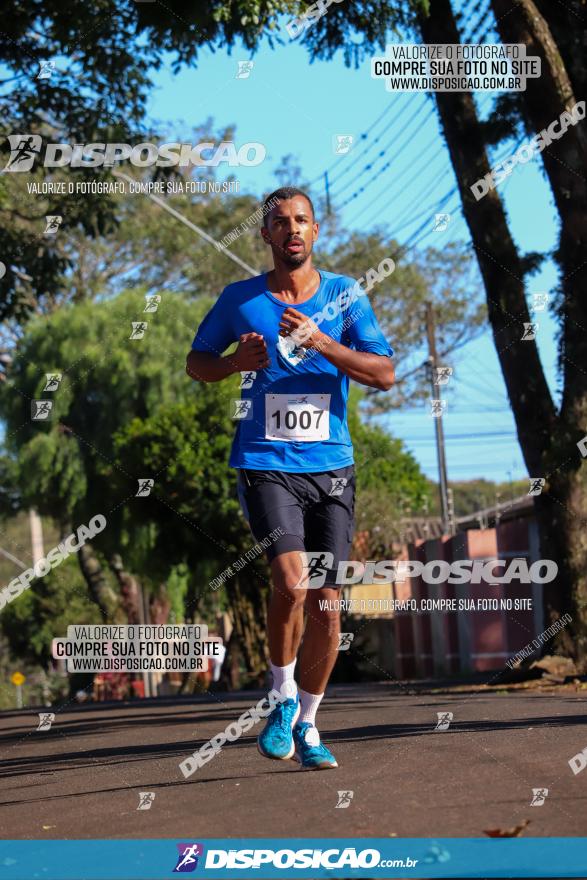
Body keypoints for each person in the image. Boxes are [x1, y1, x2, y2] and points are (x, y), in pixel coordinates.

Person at [186, 186, 394, 770]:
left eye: (302, 220)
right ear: (266, 235)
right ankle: (279, 698)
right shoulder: (240, 299)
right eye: (281, 222)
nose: (293, 230)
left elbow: (385, 375)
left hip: (332, 468)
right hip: (266, 465)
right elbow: (195, 361)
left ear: (316, 231)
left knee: (328, 605)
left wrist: (324, 342)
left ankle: (308, 722)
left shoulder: (345, 297)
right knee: (292, 580)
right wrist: (233, 364)